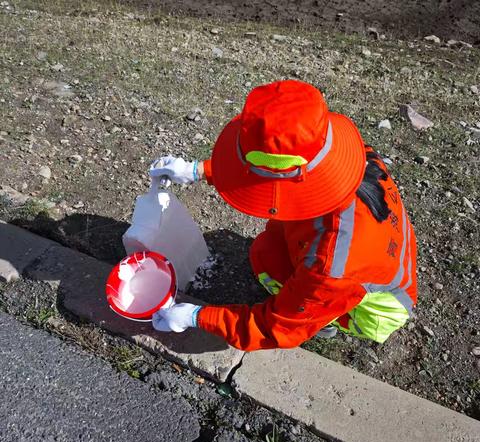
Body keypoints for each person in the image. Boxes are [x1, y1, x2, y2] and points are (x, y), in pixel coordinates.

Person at [149, 80, 417, 351]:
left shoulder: (332, 266)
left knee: (269, 265)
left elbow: (274, 328)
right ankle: (318, 304)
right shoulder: (342, 152)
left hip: (374, 310)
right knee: (266, 251)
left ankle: (323, 320)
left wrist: (195, 316)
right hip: (384, 258)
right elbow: (268, 170)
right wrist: (198, 170)